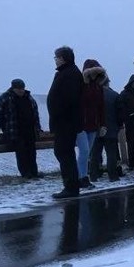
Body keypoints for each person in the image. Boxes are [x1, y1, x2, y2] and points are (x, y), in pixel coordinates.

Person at [47, 46, 84, 199]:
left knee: (64, 153)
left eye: (56, 57)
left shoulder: (70, 74)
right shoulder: (66, 73)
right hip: (63, 122)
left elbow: (69, 100)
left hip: (66, 122)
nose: (55, 60)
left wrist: (59, 114)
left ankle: (71, 187)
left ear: (63, 58)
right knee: (63, 153)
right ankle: (70, 185)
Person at [0, 78, 43, 179]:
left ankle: (34, 172)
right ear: (13, 88)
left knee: (32, 152)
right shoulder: (4, 98)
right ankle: (26, 174)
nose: (21, 91)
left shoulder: (29, 98)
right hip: (14, 132)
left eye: (22, 89)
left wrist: (38, 128)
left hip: (30, 131)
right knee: (21, 153)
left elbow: (35, 115)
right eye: (19, 89)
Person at [90, 73, 125, 182]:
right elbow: (120, 114)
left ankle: (93, 176)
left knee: (95, 154)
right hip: (111, 129)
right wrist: (119, 125)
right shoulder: (114, 95)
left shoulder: (92, 95)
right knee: (111, 154)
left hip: (96, 130)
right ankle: (113, 176)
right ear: (107, 82)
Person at [78, 59, 107, 188]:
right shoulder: (81, 86)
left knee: (87, 152)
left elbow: (101, 107)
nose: (95, 75)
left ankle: (82, 176)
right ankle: (82, 178)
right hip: (81, 124)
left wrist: (102, 124)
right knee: (84, 151)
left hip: (93, 124)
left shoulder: (98, 87)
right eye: (93, 72)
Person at [120, 75, 134, 169]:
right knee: (131, 144)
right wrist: (128, 115)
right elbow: (121, 108)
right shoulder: (124, 94)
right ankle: (132, 163)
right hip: (130, 122)